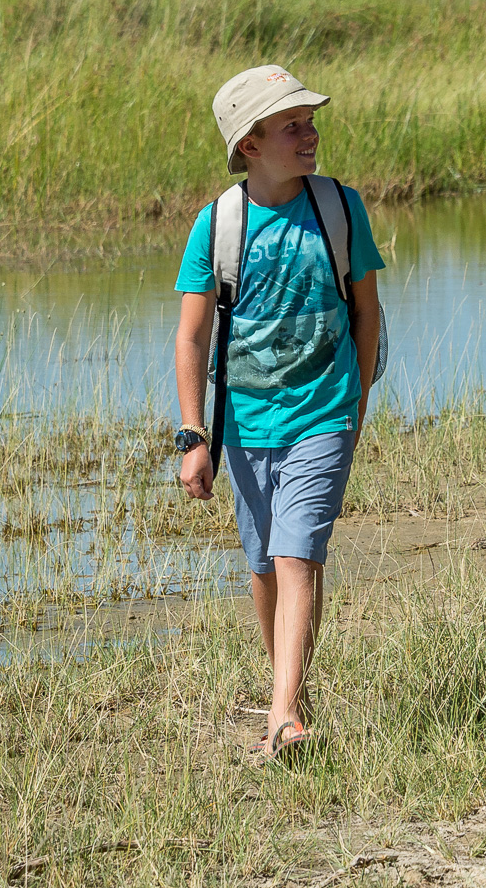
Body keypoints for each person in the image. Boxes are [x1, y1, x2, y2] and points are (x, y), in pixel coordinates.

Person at [171, 64, 385, 761]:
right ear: (251, 143)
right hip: (247, 425)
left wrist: (353, 403)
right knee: (265, 564)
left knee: (297, 556)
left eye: (311, 119)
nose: (311, 132)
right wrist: (194, 434)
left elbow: (368, 312)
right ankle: (290, 687)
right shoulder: (219, 224)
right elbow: (192, 336)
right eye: (293, 124)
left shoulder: (340, 208)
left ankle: (283, 714)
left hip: (324, 414)